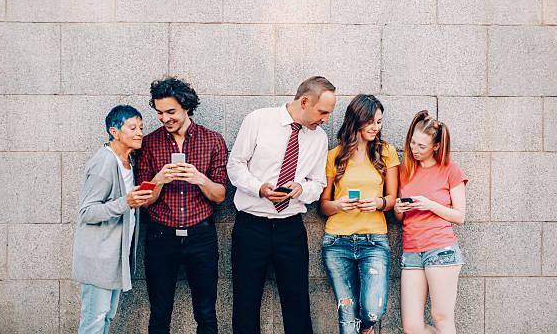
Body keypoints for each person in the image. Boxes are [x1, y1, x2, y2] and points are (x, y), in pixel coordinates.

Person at [227, 76, 337, 334]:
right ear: (305, 101)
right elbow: (235, 165)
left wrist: (301, 190)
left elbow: (318, 183)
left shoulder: (319, 138)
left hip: (291, 229)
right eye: (322, 112)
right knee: (245, 303)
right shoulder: (258, 120)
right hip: (251, 227)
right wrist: (259, 189)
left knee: (297, 303)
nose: (325, 119)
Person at [136, 77, 229, 334]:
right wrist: (158, 179)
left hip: (201, 236)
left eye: (171, 112)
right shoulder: (149, 143)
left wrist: (199, 178)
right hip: (160, 236)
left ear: (186, 107)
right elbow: (144, 199)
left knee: (206, 313)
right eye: (159, 113)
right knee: (159, 313)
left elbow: (220, 195)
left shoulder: (213, 140)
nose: (165, 118)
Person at [320, 95, 399, 334]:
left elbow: (393, 198)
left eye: (380, 122)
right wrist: (339, 205)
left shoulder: (386, 152)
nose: (377, 127)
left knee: (372, 309)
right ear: (356, 121)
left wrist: (378, 202)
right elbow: (323, 204)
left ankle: (366, 328)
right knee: (347, 314)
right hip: (336, 242)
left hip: (373, 241)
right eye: (371, 122)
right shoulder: (334, 155)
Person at [72, 104, 152, 334]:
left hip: (115, 258)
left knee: (106, 317)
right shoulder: (104, 162)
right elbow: (87, 211)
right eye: (132, 127)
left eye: (141, 127)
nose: (139, 133)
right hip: (99, 258)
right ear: (114, 131)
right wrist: (125, 202)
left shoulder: (128, 162)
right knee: (94, 320)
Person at [394, 110, 467, 334]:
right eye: (412, 143)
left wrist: (429, 204)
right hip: (412, 252)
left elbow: (460, 216)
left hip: (441, 250)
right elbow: (400, 218)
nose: (415, 149)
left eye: (422, 146)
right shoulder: (404, 170)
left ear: (436, 147)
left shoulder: (450, 171)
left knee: (441, 317)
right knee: (412, 327)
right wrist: (398, 209)